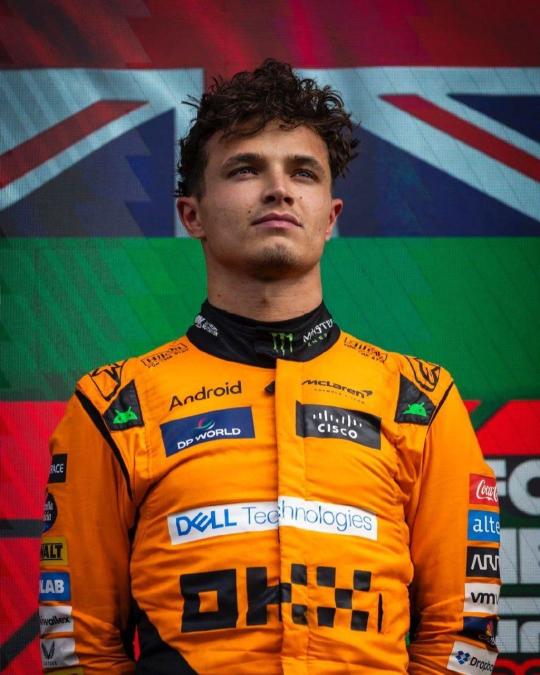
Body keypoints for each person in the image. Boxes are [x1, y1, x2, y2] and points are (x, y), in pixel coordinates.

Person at [39, 60, 500, 674]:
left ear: (330, 217)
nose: (279, 189)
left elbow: (461, 631)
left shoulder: (420, 400)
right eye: (245, 169)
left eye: (303, 172)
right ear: (192, 215)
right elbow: (80, 645)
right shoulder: (113, 404)